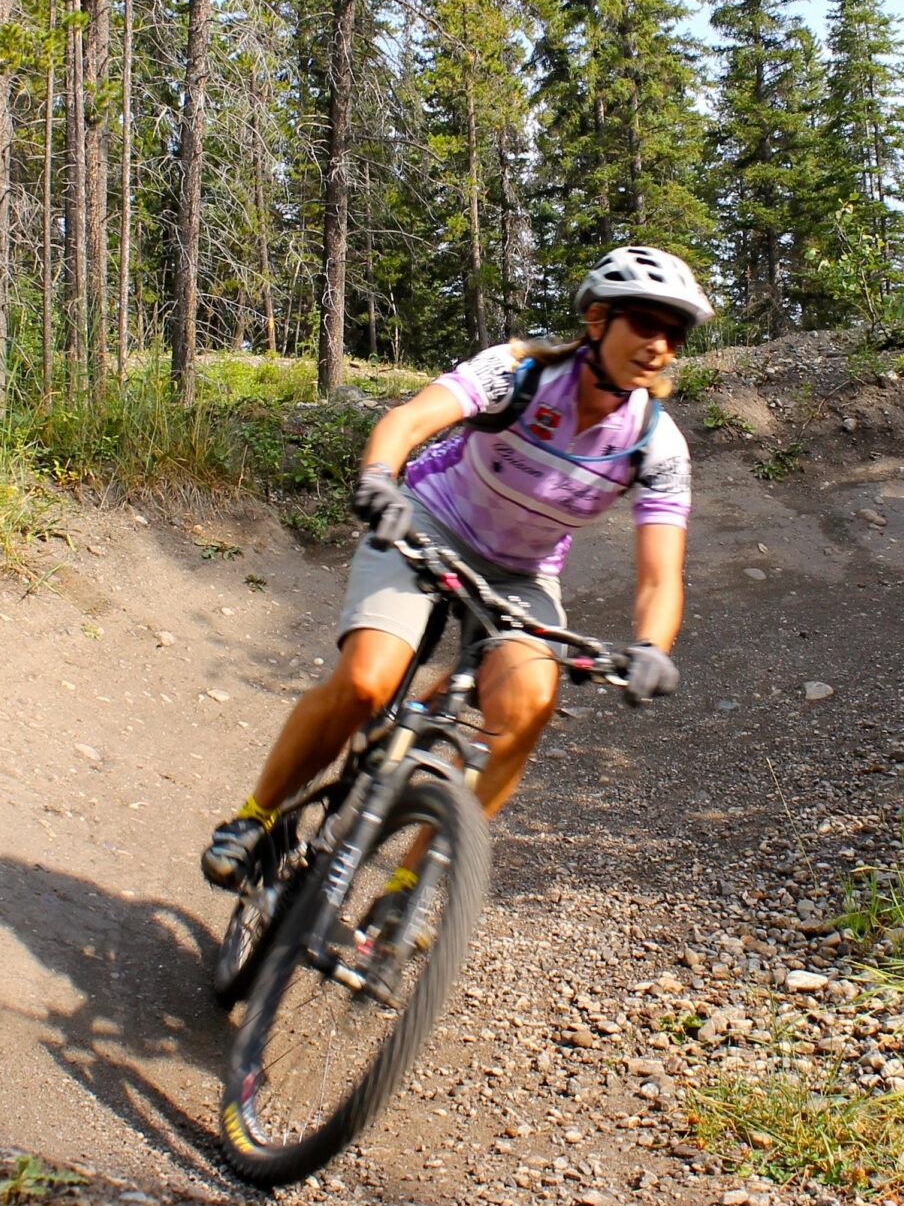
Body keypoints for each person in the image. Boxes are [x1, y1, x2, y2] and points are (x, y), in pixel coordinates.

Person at [200, 246, 709, 891]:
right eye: (646, 323)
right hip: (427, 526)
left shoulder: (655, 444)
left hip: (521, 575)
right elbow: (409, 419)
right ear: (599, 319)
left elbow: (661, 576)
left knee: (528, 709)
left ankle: (405, 891)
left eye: (675, 333)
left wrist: (651, 648)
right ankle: (256, 818)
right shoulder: (519, 373)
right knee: (365, 684)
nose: (660, 345)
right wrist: (380, 479)